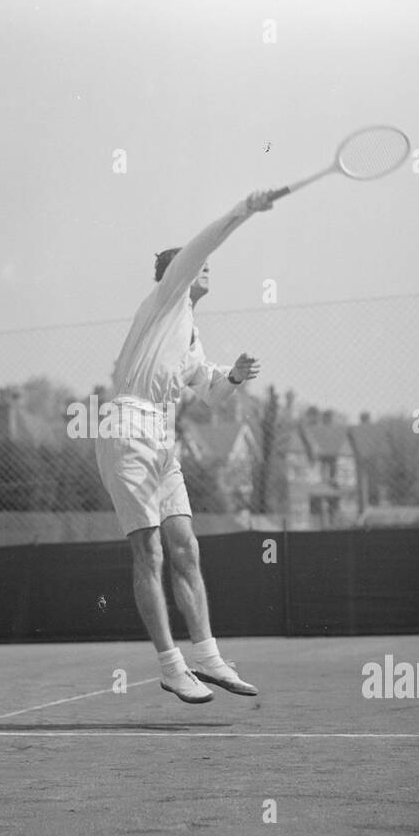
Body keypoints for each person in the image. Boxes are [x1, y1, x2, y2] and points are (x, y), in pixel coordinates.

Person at [95, 189, 274, 703]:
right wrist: (244, 209)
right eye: (200, 265)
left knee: (185, 548)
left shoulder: (189, 331)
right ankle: (171, 666)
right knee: (147, 550)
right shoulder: (166, 299)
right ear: (178, 274)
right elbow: (200, 246)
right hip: (127, 428)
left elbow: (212, 392)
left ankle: (207, 657)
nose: (206, 269)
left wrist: (234, 377)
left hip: (161, 437)